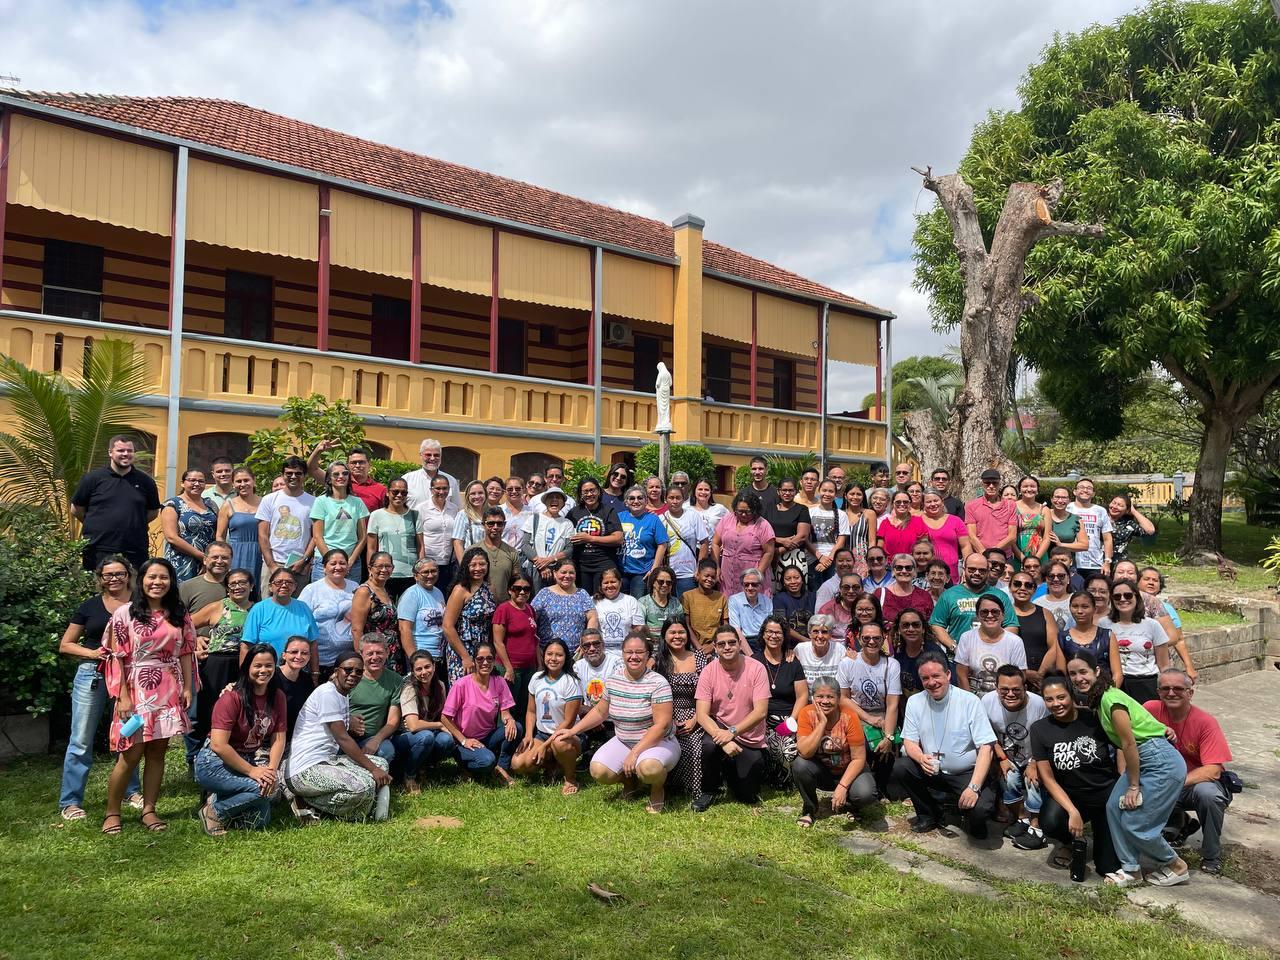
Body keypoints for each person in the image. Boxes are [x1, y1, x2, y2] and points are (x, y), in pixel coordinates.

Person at [1068, 651, 1190, 886]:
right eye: (1073, 673)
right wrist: (1160, 727)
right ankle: (1131, 870)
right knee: (1113, 807)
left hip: (1159, 762)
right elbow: (1141, 719)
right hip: (1145, 756)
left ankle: (1176, 864)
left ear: (1096, 671)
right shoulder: (1100, 698)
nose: (1078, 678)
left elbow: (1129, 743)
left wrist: (1134, 786)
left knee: (1137, 824)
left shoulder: (1111, 700)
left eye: (1083, 671)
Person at [101, 558, 196, 835]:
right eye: (152, 577)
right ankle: (112, 812)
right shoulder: (125, 613)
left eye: (164, 577)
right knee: (130, 754)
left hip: (169, 688)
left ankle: (149, 809)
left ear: (171, 582)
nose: (158, 582)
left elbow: (187, 651)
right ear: (141, 580)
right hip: (135, 689)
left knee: (158, 753)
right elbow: (117, 656)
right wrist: (123, 696)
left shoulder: (179, 613)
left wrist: (188, 687)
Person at [554, 632, 677, 813]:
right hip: (624, 740)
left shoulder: (658, 683)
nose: (633, 657)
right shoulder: (613, 680)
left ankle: (657, 788)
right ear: (622, 654)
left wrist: (634, 753)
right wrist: (573, 731)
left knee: (649, 768)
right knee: (598, 770)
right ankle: (631, 782)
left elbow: (662, 725)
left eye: (639, 652)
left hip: (658, 742)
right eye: (629, 652)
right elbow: (600, 711)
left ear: (648, 655)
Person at [57, 556, 141, 821]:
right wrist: (93, 653)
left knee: (130, 733)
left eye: (119, 573)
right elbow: (66, 644)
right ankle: (71, 801)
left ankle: (131, 790)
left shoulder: (141, 604)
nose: (114, 579)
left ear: (128, 575)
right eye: (108, 575)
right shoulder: (90, 606)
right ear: (100, 579)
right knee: (81, 739)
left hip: (131, 675)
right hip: (93, 673)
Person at [890, 651, 997, 838]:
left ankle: (967, 811)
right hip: (932, 769)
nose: (931, 682)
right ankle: (929, 813)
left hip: (965, 773)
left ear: (948, 675)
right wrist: (921, 758)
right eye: (925, 678)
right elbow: (909, 741)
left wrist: (974, 787)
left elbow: (986, 748)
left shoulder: (969, 701)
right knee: (902, 767)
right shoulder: (915, 702)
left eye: (936, 676)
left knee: (980, 813)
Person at [283, 647, 392, 822]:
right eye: (348, 670)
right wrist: (372, 770)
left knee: (382, 763)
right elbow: (342, 738)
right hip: (304, 770)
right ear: (336, 671)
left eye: (358, 671)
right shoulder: (328, 693)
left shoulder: (341, 694)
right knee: (364, 786)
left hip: (327, 761)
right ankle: (305, 802)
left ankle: (362, 804)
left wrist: (375, 768)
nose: (353, 674)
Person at [1030, 673, 1121, 878]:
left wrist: (1124, 781)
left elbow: (1122, 742)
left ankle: (1107, 834)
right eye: (1049, 699)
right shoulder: (1039, 729)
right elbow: (1048, 778)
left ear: (1071, 695)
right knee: (1050, 822)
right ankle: (1071, 841)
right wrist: (1072, 811)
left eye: (1061, 697)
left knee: (1107, 868)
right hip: (1071, 795)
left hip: (1105, 794)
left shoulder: (1094, 717)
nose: (1056, 704)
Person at [1144, 668, 1234, 875]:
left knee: (1209, 795)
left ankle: (1212, 854)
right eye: (1165, 688)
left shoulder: (1206, 722)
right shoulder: (1150, 709)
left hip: (1193, 784)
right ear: (1158, 692)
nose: (1171, 693)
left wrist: (1173, 782)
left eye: (1178, 688)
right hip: (1161, 780)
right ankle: (1175, 826)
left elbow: (1213, 770)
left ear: (1190, 693)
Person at [195, 643, 287, 835]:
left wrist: (270, 771)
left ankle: (220, 800)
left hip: (246, 758)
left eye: (269, 665)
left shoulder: (277, 696)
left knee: (259, 819)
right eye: (258, 665)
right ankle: (213, 812)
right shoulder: (231, 697)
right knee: (260, 790)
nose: (264, 670)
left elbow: (279, 739)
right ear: (247, 668)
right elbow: (218, 745)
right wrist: (254, 771)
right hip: (214, 762)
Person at [693, 625, 770, 810]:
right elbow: (702, 715)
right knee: (709, 746)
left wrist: (733, 732)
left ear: (739, 644)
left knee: (747, 795)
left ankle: (729, 772)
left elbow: (760, 712)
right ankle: (709, 790)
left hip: (748, 735)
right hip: (720, 728)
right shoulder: (708, 671)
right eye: (722, 644)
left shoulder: (757, 668)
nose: (727, 647)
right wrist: (724, 738)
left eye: (731, 642)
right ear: (715, 647)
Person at [792, 676, 877, 827]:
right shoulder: (806, 713)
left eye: (830, 697)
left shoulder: (849, 716)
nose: (825, 701)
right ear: (813, 698)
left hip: (849, 769)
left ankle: (852, 805)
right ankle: (809, 809)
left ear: (838, 698)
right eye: (820, 696)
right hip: (823, 772)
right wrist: (821, 724)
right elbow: (804, 752)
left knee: (866, 794)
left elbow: (858, 758)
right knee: (800, 765)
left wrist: (843, 786)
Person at [189, 558, 253, 755]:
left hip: (245, 664)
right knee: (208, 710)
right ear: (227, 588)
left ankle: (233, 752)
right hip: (216, 664)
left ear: (251, 586)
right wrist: (197, 639)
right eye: (232, 583)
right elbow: (184, 626)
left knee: (239, 709)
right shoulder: (217, 607)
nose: (237, 587)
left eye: (242, 582)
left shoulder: (258, 609)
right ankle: (198, 756)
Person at [71, 435, 161, 572]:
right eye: (121, 450)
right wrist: (97, 524)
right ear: (110, 452)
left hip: (135, 549)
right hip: (98, 548)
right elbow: (76, 509)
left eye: (129, 451)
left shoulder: (146, 482)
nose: (126, 454)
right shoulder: (93, 479)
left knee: (134, 590)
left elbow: (153, 512)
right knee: (97, 590)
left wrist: (134, 523)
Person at [981, 666, 1049, 846]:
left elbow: (1048, 736)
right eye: (1004, 689)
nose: (1010, 694)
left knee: (1032, 782)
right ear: (996, 689)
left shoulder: (1039, 704)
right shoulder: (987, 702)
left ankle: (1036, 827)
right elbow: (986, 734)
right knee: (1009, 779)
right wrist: (1001, 759)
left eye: (1016, 689)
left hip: (1034, 755)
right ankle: (1022, 818)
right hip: (1006, 755)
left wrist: (1035, 762)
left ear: (1025, 688)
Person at [837, 621, 901, 794]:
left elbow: (893, 703)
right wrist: (869, 719)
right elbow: (843, 698)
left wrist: (888, 736)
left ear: (883, 639)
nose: (871, 642)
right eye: (866, 638)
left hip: (883, 714)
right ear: (859, 638)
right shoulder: (847, 663)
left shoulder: (891, 665)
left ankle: (881, 785)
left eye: (876, 638)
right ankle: (859, 781)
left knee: (887, 748)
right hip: (856, 715)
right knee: (861, 747)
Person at [511, 639, 583, 793]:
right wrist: (529, 735)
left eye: (559, 655)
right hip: (542, 734)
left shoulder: (571, 682)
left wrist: (544, 746)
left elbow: (569, 722)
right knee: (518, 764)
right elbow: (531, 711)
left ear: (566, 658)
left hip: (567, 735)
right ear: (544, 656)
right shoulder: (537, 678)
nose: (553, 658)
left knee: (559, 743)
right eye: (550, 654)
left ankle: (570, 779)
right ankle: (552, 765)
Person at [752, 615, 808, 784]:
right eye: (769, 631)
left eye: (778, 633)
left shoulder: (793, 662)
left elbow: (803, 695)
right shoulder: (754, 661)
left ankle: (786, 779)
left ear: (784, 637)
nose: (773, 636)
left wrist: (791, 720)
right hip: (761, 718)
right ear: (763, 634)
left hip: (788, 718)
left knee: (787, 751)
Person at [929, 554, 1018, 657]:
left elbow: (1011, 625)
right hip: (957, 659)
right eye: (972, 569)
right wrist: (954, 647)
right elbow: (936, 625)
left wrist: (997, 647)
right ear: (964, 569)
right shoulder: (949, 595)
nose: (977, 573)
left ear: (988, 571)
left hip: (992, 657)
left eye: (982, 570)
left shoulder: (1000, 596)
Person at [393, 651, 452, 793]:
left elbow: (442, 715)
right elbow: (413, 725)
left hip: (428, 732)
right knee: (426, 737)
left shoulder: (440, 686)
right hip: (406, 737)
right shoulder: (409, 689)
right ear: (413, 672)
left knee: (447, 741)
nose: (424, 672)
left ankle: (424, 766)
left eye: (427, 667)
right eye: (418, 669)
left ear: (434, 666)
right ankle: (409, 775)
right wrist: (439, 725)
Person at [1106, 578, 1170, 705]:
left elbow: (1164, 665)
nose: (1123, 599)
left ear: (1137, 597)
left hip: (1145, 683)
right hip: (1116, 683)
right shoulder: (1104, 624)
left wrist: (1167, 689)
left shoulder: (1152, 625)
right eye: (1117, 596)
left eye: (1128, 595)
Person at [242, 567, 319, 671]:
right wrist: (244, 676)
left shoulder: (303, 608)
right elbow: (246, 645)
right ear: (270, 587)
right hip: (267, 672)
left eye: (289, 582)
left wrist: (315, 673)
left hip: (298, 673)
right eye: (278, 582)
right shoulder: (259, 609)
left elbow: (313, 644)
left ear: (295, 586)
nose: (284, 585)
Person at [255, 456, 315, 589]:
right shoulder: (269, 499)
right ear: (283, 475)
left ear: (305, 475)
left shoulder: (314, 502)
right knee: (268, 604)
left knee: (296, 606)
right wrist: (271, 565)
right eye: (289, 473)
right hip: (273, 562)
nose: (293, 476)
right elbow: (262, 535)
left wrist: (305, 561)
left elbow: (315, 536)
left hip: (299, 565)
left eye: (298, 473)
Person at [297, 549, 358, 679]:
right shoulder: (311, 590)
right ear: (324, 568)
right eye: (333, 563)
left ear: (348, 566)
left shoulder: (355, 587)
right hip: (319, 661)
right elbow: (300, 622)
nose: (338, 567)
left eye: (342, 563)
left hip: (347, 661)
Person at [442, 547, 496, 684]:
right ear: (466, 567)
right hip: (462, 648)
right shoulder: (460, 590)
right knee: (463, 692)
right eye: (473, 565)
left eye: (482, 564)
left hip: (483, 650)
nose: (478, 568)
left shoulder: (489, 589)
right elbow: (448, 626)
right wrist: (465, 656)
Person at [955, 595, 1027, 695]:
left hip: (1005, 700)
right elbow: (961, 675)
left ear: (1003, 615)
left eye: (995, 612)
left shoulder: (1015, 641)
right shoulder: (966, 638)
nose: (990, 615)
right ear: (978, 615)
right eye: (984, 612)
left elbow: (1020, 677)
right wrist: (970, 701)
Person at [346, 635, 402, 765]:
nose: (375, 657)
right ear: (361, 654)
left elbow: (393, 720)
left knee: (386, 751)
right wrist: (349, 721)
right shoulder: (349, 677)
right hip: (345, 735)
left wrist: (376, 740)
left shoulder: (395, 680)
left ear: (387, 653)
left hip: (373, 736)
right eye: (370, 653)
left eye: (379, 653)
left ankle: (375, 780)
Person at [1137, 566, 1198, 682]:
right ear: (1137, 581)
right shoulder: (1126, 605)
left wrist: (1189, 667)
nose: (1151, 583)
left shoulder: (1167, 608)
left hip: (1160, 662)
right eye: (1147, 579)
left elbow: (1179, 639)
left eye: (1155, 580)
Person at [567, 476, 624, 593]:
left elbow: (618, 538)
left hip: (604, 562)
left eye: (592, 490)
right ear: (580, 494)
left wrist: (590, 538)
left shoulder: (608, 511)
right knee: (584, 599)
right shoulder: (574, 512)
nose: (589, 494)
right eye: (585, 492)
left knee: (601, 598)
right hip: (581, 564)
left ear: (599, 491)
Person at [365, 478, 420, 599]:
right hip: (384, 573)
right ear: (388, 493)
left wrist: (420, 569)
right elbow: (371, 547)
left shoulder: (415, 515)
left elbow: (420, 546)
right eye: (395, 492)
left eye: (403, 492)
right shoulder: (376, 515)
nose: (399, 495)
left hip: (409, 574)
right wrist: (371, 571)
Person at [714, 491, 776, 597]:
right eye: (740, 511)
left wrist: (757, 574)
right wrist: (716, 567)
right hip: (728, 573)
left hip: (751, 572)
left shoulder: (763, 525)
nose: (743, 514)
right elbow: (715, 543)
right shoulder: (727, 519)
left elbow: (769, 552)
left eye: (747, 511)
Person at [160, 468, 218, 582]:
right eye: (192, 480)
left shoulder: (210, 504)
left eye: (201, 481)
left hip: (208, 562)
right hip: (181, 561)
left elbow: (218, 533)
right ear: (183, 483)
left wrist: (211, 558)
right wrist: (202, 557)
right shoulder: (172, 505)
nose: (197, 484)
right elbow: (172, 537)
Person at [531, 559, 598, 654]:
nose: (567, 576)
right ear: (555, 573)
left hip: (576, 654)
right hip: (549, 654)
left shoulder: (582, 594)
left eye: (571, 573)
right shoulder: (544, 593)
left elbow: (592, 617)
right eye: (563, 572)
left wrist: (586, 642)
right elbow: (531, 618)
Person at [573, 628, 622, 756]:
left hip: (613, 720)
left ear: (603, 645)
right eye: (586, 645)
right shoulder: (577, 667)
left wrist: (598, 715)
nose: (592, 648)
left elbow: (619, 699)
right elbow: (573, 702)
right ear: (582, 649)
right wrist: (591, 715)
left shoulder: (617, 663)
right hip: (588, 719)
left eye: (596, 644)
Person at [1009, 569, 1061, 689]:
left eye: (1028, 585)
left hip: (1041, 679)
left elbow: (1055, 645)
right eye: (1017, 584)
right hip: (1012, 679)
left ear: (1034, 589)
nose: (1022, 588)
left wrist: (1040, 674)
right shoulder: (1004, 614)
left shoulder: (1045, 613)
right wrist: (1023, 673)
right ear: (1010, 587)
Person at [351, 551, 402, 670]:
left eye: (388, 566)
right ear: (370, 568)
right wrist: (362, 659)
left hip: (391, 652)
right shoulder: (364, 592)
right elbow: (356, 629)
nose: (384, 570)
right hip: (374, 654)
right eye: (379, 566)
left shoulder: (386, 590)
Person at [215, 467, 264, 589]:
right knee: (238, 588)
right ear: (233, 484)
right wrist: (225, 558)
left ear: (254, 481)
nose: (243, 484)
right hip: (237, 555)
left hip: (262, 553)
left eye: (246, 480)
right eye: (238, 481)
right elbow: (220, 536)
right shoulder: (228, 505)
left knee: (260, 590)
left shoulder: (265, 503)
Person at [617, 485, 669, 598]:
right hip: (621, 570)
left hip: (642, 572)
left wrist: (654, 569)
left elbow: (662, 544)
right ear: (626, 502)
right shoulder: (619, 517)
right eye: (631, 498)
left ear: (645, 501)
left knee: (638, 604)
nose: (636, 501)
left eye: (640, 498)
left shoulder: (653, 519)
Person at [659, 484, 710, 597]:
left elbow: (704, 543)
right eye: (671, 498)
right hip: (666, 575)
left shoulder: (693, 516)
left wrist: (699, 568)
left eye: (678, 498)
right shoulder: (660, 519)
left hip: (688, 574)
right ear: (665, 499)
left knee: (686, 610)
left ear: (683, 499)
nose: (675, 501)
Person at [396, 559, 447, 672]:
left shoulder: (438, 592)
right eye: (425, 572)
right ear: (416, 576)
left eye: (433, 571)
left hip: (439, 653)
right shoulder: (411, 595)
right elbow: (404, 629)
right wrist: (414, 659)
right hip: (421, 655)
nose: (430, 575)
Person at [520, 486, 573, 590]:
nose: (554, 500)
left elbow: (569, 549)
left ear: (563, 503)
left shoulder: (567, 523)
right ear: (545, 501)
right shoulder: (534, 519)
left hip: (557, 572)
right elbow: (525, 545)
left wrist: (551, 559)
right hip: (535, 569)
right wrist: (541, 565)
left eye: (558, 498)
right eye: (551, 497)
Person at [1059, 590, 1121, 677]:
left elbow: (1117, 674)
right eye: (1075, 606)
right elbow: (1061, 674)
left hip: (1105, 688)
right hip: (1073, 689)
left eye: (1085, 606)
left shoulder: (1107, 635)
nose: (1079, 611)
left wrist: (1111, 691)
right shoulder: (1062, 637)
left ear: (1094, 609)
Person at [418, 474, 459, 597]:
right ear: (431, 490)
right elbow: (418, 537)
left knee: (446, 596)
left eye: (445, 488)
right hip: (430, 563)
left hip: (450, 563)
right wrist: (421, 561)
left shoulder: (454, 508)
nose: (442, 492)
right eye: (438, 488)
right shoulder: (422, 509)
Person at [765, 477, 812, 586]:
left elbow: (802, 536)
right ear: (778, 491)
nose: (787, 493)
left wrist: (780, 550)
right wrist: (781, 541)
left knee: (794, 589)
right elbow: (762, 533)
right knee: (772, 590)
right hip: (770, 556)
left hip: (794, 556)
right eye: (784, 490)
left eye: (791, 490)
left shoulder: (802, 509)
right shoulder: (769, 508)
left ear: (796, 491)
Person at [920, 490, 971, 584]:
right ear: (923, 504)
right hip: (925, 574)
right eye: (928, 502)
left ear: (942, 502)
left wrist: (968, 568)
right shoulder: (918, 521)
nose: (933, 504)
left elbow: (965, 546)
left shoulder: (956, 521)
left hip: (951, 574)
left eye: (936, 501)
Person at [1067, 478, 1114, 581]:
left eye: (1089, 488)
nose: (1085, 490)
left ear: (1093, 493)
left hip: (1095, 563)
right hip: (1070, 561)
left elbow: (1107, 539)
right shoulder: (1067, 508)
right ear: (1075, 492)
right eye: (1081, 487)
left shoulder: (1100, 511)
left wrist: (1107, 562)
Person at [806, 479, 849, 590]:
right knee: (814, 592)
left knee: (832, 592)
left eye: (831, 491)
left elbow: (841, 540)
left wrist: (828, 560)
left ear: (835, 494)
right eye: (824, 490)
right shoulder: (809, 512)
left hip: (832, 560)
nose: (827, 494)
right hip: (812, 559)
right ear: (818, 491)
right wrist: (819, 557)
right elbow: (805, 539)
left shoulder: (842, 514)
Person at [877, 553, 935, 633]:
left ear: (914, 571)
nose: (904, 571)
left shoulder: (924, 596)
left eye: (908, 568)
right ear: (893, 570)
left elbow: (930, 625)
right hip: (887, 643)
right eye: (899, 568)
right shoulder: (880, 594)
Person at [593, 567, 645, 655]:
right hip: (601, 653)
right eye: (606, 583)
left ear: (620, 583)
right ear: (601, 585)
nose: (609, 585)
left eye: (613, 582)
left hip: (626, 652)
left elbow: (638, 629)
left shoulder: (631, 601)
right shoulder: (593, 601)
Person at [893, 609, 944, 698]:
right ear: (899, 630)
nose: (911, 629)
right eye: (905, 625)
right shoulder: (898, 652)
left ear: (923, 629)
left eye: (916, 625)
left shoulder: (934, 654)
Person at [682, 559, 728, 653]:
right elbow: (686, 625)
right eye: (706, 576)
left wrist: (713, 645)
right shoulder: (687, 596)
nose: (709, 579)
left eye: (713, 577)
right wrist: (700, 648)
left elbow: (725, 625)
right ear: (698, 575)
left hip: (717, 645)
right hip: (694, 646)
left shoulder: (721, 597)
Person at [402, 438, 459, 511]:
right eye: (428, 455)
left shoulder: (451, 481)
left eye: (436, 455)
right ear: (421, 455)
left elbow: (456, 509)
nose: (432, 458)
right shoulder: (407, 480)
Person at [791, 613, 845, 688]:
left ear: (830, 634)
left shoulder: (839, 649)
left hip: (832, 697)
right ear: (809, 634)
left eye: (824, 632)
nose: (820, 636)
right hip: (807, 698)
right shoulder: (800, 649)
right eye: (815, 631)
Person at [277, 636, 315, 742]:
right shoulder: (271, 676)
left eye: (304, 653)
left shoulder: (307, 680)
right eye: (294, 652)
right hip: (270, 737)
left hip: (296, 737)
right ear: (284, 655)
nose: (299, 656)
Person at [772, 566, 815, 648]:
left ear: (802, 580)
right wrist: (806, 641)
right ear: (783, 583)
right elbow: (781, 625)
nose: (793, 582)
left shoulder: (812, 596)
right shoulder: (779, 598)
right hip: (790, 646)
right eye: (788, 579)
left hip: (813, 642)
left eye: (796, 578)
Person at [726, 569, 769, 651]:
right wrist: (751, 656)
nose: (750, 588)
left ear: (760, 586)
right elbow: (736, 630)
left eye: (754, 584)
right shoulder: (734, 600)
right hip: (744, 639)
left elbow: (769, 627)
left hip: (763, 639)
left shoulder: (767, 601)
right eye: (746, 584)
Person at [1012, 476, 1049, 570]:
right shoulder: (1012, 507)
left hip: (1040, 554)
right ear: (1019, 489)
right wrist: (1022, 559)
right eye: (1025, 486)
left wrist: (1036, 559)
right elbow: (1009, 536)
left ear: (1037, 490)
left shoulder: (1044, 509)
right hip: (1017, 554)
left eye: (1032, 486)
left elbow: (1047, 537)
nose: (1029, 489)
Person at [841, 483, 877, 580]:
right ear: (845, 496)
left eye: (859, 494)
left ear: (863, 496)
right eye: (852, 494)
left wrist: (870, 562)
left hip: (862, 559)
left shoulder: (869, 514)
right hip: (842, 559)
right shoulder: (840, 514)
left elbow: (872, 541)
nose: (855, 497)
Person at [877, 491, 927, 559]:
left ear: (910, 504)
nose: (902, 504)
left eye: (905, 502)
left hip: (911, 565)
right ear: (893, 504)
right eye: (898, 502)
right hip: (889, 566)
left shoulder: (918, 521)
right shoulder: (885, 523)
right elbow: (880, 548)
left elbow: (924, 546)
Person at [639, 565, 685, 639]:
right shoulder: (643, 602)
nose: (665, 585)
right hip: (650, 642)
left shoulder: (676, 603)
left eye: (669, 583)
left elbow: (681, 624)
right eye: (661, 582)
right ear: (653, 582)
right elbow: (640, 628)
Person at [1108, 494, 1155, 562]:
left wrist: (1134, 511)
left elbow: (1150, 530)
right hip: (1096, 562)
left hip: (1119, 563)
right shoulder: (1100, 517)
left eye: (1120, 505)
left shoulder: (1129, 524)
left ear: (1127, 510)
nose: (1115, 507)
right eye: (1113, 503)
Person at [1033, 560, 1076, 634]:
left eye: (1061, 576)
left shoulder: (1078, 600)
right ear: (1046, 579)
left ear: (1068, 579)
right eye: (1051, 576)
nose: (1056, 579)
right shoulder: (1037, 603)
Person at [817, 574, 860, 647]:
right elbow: (818, 635)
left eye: (856, 587)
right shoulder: (828, 609)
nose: (851, 591)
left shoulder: (867, 607)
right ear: (840, 589)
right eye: (846, 587)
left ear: (862, 588)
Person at [451, 481, 488, 562]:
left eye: (480, 493)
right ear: (468, 496)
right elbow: (458, 543)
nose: (477, 496)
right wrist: (463, 566)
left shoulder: (490, 514)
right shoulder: (463, 515)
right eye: (473, 493)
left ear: (485, 494)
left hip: (488, 562)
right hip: (471, 562)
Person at [501, 476, 533, 550]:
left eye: (518, 489)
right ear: (505, 491)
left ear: (523, 490)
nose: (514, 491)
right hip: (502, 555)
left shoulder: (531, 512)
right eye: (510, 489)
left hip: (523, 557)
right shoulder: (498, 511)